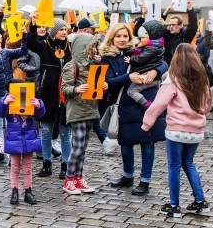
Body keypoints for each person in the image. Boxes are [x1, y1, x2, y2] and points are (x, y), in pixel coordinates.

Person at [142, 44, 210, 215]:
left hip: (176, 130)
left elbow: (158, 104)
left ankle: (174, 204)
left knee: (174, 165)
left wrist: (146, 124)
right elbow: (208, 105)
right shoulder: (202, 80)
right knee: (189, 163)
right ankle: (200, 200)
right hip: (196, 131)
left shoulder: (173, 80)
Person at [101, 23, 167, 195]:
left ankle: (145, 181)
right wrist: (128, 77)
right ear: (112, 38)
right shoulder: (105, 57)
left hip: (145, 101)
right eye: (118, 36)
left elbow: (163, 61)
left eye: (125, 36)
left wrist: (156, 72)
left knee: (147, 141)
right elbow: (108, 83)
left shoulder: (138, 50)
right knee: (126, 142)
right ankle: (127, 175)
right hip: (123, 103)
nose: (122, 39)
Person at [26, 15, 72, 179]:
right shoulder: (44, 46)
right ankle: (46, 163)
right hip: (47, 94)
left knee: (66, 133)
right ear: (53, 32)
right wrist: (33, 25)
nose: (64, 32)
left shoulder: (70, 48)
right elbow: (30, 43)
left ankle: (65, 165)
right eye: (61, 29)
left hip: (65, 95)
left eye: (65, 29)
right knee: (45, 131)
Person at [60, 33, 106, 195]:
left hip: (90, 109)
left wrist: (103, 85)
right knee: (78, 146)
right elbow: (64, 88)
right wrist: (76, 89)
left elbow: (96, 84)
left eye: (95, 47)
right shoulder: (71, 66)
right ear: (83, 48)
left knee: (84, 147)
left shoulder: (92, 65)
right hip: (77, 110)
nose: (94, 50)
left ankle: (78, 178)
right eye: (91, 47)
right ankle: (69, 179)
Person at [0, 87, 45, 205]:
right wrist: (4, 102)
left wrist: (39, 105)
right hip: (14, 139)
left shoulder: (30, 97)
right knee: (15, 167)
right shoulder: (9, 99)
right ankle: (14, 191)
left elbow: (40, 115)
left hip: (29, 139)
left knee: (27, 168)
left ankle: (28, 191)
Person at [0, 34, 28, 164]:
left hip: (10, 93)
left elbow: (22, 51)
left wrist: (24, 36)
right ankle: (0, 151)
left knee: (11, 123)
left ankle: (11, 152)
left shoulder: (6, 53)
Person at [124, 21, 165, 108]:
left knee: (131, 91)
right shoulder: (156, 45)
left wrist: (131, 59)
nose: (141, 40)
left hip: (146, 77)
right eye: (140, 38)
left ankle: (146, 104)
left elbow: (141, 59)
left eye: (125, 36)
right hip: (152, 78)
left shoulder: (149, 47)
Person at [159, 0, 198, 65]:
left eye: (174, 25)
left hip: (182, 66)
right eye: (170, 25)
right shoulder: (167, 35)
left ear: (180, 25)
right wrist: (165, 13)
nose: (171, 27)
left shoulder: (185, 36)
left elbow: (193, 25)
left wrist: (190, 9)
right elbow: (158, 24)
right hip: (168, 66)